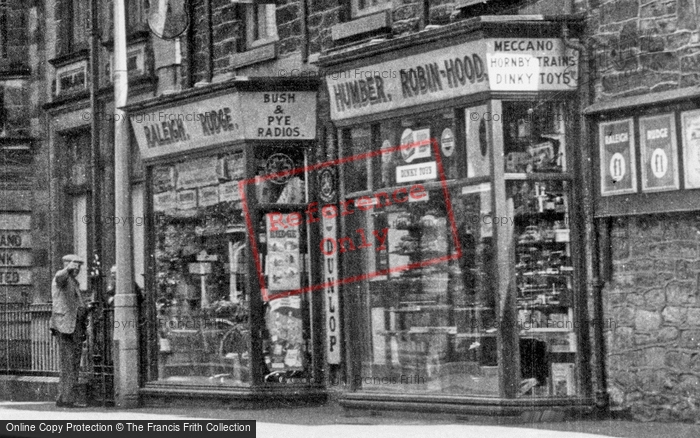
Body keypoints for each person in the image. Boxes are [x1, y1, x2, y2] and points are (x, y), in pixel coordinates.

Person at [49, 254, 90, 408]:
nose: (77, 268)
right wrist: (67, 268)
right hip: (65, 327)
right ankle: (67, 399)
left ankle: (64, 397)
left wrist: (86, 308)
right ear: (67, 265)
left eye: (79, 266)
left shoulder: (74, 282)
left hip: (75, 327)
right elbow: (59, 276)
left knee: (72, 363)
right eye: (75, 265)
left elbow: (77, 304)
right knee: (69, 363)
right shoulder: (62, 278)